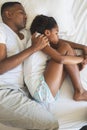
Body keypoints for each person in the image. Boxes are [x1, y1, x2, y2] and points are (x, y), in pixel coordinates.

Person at [0, 2, 59, 130]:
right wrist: (33, 48)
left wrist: (81, 47)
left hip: (23, 92)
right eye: (21, 13)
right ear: (8, 14)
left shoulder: (27, 34)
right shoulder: (1, 29)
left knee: (48, 117)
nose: (26, 17)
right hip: (3, 92)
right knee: (50, 124)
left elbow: (52, 39)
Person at [24, 15, 87, 107]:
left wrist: (83, 47)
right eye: (56, 33)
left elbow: (58, 42)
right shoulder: (38, 39)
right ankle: (80, 91)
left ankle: (77, 80)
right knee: (65, 48)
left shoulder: (41, 38)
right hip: (41, 89)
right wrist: (82, 58)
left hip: (45, 91)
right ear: (47, 32)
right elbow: (60, 58)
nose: (58, 37)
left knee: (67, 51)